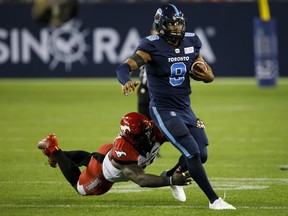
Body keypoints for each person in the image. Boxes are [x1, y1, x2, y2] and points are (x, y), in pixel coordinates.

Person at [116, 4, 236, 210]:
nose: (177, 28)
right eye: (171, 24)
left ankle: (171, 175)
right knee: (192, 153)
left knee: (202, 154)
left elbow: (205, 71)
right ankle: (214, 200)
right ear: (161, 25)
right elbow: (124, 66)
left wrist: (208, 76)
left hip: (185, 107)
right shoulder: (151, 46)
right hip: (163, 108)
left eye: (179, 23)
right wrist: (125, 80)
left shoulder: (191, 41)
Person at [37, 112, 192, 197]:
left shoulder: (152, 129)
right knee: (81, 188)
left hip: (107, 154)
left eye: (147, 131)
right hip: (102, 172)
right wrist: (170, 180)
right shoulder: (124, 150)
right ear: (130, 137)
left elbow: (176, 126)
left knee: (91, 159)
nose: (147, 136)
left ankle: (55, 153)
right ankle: (54, 148)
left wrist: (193, 123)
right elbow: (141, 179)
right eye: (142, 135)